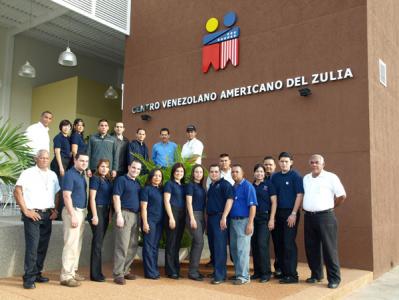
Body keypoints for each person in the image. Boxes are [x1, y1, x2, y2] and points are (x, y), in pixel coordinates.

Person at [14, 150, 60, 289]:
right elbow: (17, 191)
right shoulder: (28, 173)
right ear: (36, 159)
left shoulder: (52, 174)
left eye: (47, 158)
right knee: (32, 247)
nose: (45, 160)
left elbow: (57, 193)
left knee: (42, 247)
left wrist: (55, 210)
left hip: (47, 215)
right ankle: (28, 278)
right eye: (42, 158)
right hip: (33, 215)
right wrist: (26, 210)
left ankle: (37, 273)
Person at [303, 154, 346, 289]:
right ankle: (316, 275)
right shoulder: (306, 178)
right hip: (309, 217)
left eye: (317, 162)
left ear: (323, 164)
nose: (314, 164)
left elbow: (342, 195)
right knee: (311, 247)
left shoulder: (331, 177)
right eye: (312, 162)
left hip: (326, 217)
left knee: (329, 248)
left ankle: (334, 279)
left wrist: (332, 206)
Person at [271, 152, 304, 284]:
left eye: (286, 161)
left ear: (291, 162)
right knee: (279, 243)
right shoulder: (275, 177)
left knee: (288, 243)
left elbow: (299, 195)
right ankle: (284, 273)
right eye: (282, 161)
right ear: (278, 162)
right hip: (278, 213)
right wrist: (272, 217)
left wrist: (294, 213)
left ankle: (292, 275)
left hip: (290, 214)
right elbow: (273, 197)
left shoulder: (295, 176)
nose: (284, 163)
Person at [60, 153, 89, 287]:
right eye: (81, 160)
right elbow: (66, 196)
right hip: (73, 211)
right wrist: (72, 215)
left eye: (86, 161)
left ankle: (73, 271)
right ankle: (66, 276)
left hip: (81, 211)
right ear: (75, 160)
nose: (84, 163)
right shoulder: (70, 174)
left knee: (77, 244)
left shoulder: (81, 175)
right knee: (70, 245)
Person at [112, 160, 142, 285]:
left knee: (133, 245)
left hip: (136, 216)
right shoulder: (121, 180)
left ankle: (125, 270)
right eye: (133, 168)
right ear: (129, 167)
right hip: (124, 214)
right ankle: (118, 273)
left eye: (138, 169)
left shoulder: (138, 183)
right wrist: (119, 214)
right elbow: (116, 197)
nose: (135, 170)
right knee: (122, 245)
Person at [229, 165, 257, 285]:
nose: (234, 174)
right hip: (233, 221)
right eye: (233, 172)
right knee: (234, 250)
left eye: (237, 172)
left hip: (244, 221)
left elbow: (253, 206)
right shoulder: (233, 187)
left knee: (242, 250)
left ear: (243, 173)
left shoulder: (248, 186)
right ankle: (238, 273)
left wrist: (250, 223)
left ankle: (244, 277)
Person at [206, 164, 234, 284]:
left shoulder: (225, 184)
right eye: (211, 172)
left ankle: (220, 275)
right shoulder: (211, 186)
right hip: (211, 218)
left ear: (220, 173)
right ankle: (216, 271)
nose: (214, 174)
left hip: (220, 217)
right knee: (213, 246)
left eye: (216, 172)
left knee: (220, 247)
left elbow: (230, 200)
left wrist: (224, 217)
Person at [251, 164, 277, 283]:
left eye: (261, 171)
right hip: (252, 218)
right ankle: (257, 272)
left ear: (264, 173)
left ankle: (266, 273)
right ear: (254, 173)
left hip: (264, 218)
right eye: (257, 171)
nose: (259, 173)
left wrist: (272, 219)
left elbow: (274, 203)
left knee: (262, 244)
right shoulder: (251, 186)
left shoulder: (268, 184)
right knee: (255, 245)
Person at [88, 159, 113, 282]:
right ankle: (95, 274)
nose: (104, 169)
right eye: (102, 166)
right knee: (97, 244)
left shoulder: (108, 180)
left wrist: (109, 214)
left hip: (105, 212)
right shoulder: (95, 179)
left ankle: (98, 272)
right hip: (97, 210)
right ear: (98, 167)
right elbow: (92, 198)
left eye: (107, 167)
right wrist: (94, 215)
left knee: (99, 243)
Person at [140, 168, 164, 279]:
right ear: (151, 177)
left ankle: (154, 269)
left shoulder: (161, 190)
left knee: (155, 246)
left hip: (159, 222)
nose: (157, 177)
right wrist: (145, 223)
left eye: (159, 176)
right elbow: (143, 207)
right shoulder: (146, 189)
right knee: (149, 246)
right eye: (155, 175)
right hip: (150, 220)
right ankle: (149, 272)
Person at [164, 163, 186, 279]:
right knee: (171, 243)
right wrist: (171, 217)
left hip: (182, 215)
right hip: (173, 213)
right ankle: (170, 270)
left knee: (177, 243)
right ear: (173, 172)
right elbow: (166, 201)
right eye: (177, 171)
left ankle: (176, 269)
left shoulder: (183, 186)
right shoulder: (169, 184)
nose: (179, 173)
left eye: (181, 171)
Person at [186, 164, 206, 281]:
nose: (199, 174)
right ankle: (192, 272)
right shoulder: (190, 186)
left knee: (196, 243)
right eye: (196, 172)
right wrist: (192, 218)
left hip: (201, 216)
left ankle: (195, 269)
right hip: (193, 215)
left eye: (201, 172)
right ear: (193, 173)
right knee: (199, 242)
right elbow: (188, 202)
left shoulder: (201, 187)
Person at [263, 155, 281, 277]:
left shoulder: (278, 178)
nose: (268, 166)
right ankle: (264, 268)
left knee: (278, 242)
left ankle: (279, 267)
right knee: (263, 242)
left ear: (275, 166)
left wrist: (273, 217)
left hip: (277, 214)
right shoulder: (261, 178)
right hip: (263, 215)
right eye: (266, 164)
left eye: (270, 164)